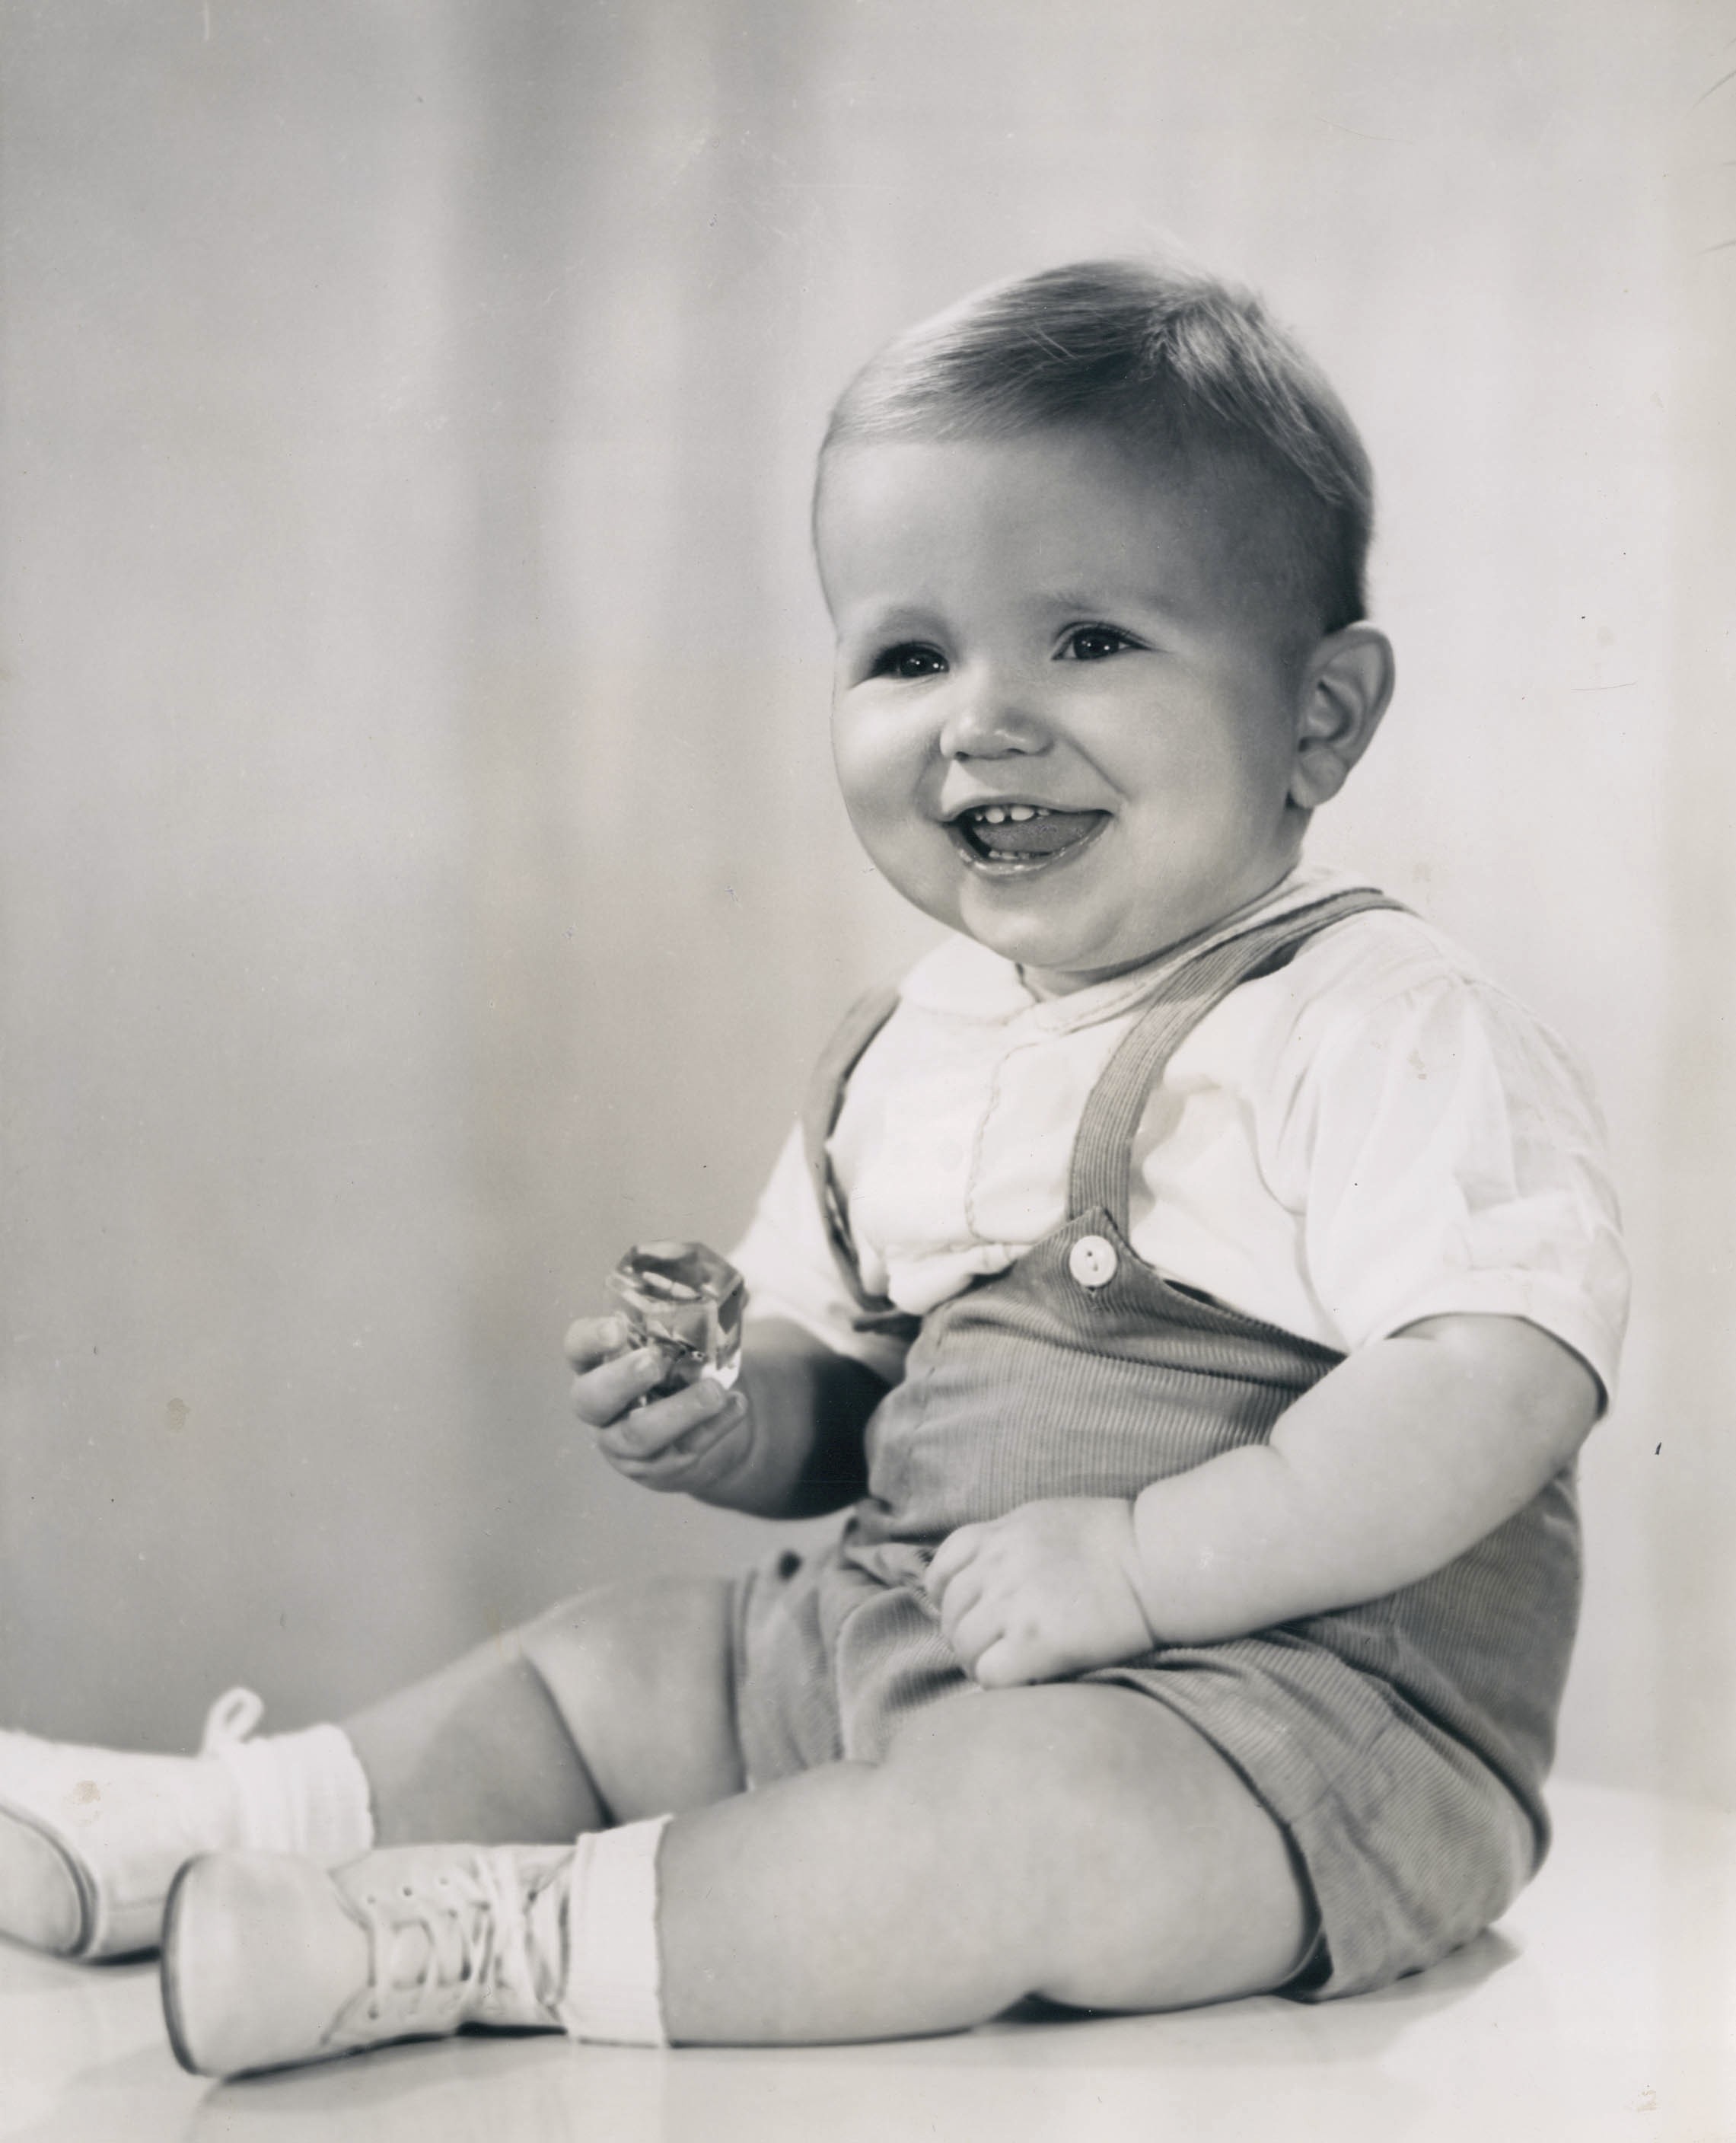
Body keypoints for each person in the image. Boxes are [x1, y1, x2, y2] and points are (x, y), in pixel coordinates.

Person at [0, 260, 1626, 2078]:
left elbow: (1496, 1379)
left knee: (1025, 1821)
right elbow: (845, 1404)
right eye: (910, 655)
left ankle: (471, 1933)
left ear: (1317, 716)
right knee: (607, 1667)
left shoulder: (1375, 1020)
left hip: (1284, 1742)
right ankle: (226, 1828)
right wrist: (731, 1412)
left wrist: (1150, 1567)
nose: (981, 720)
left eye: (1089, 640)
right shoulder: (906, 1049)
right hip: (911, 1642)